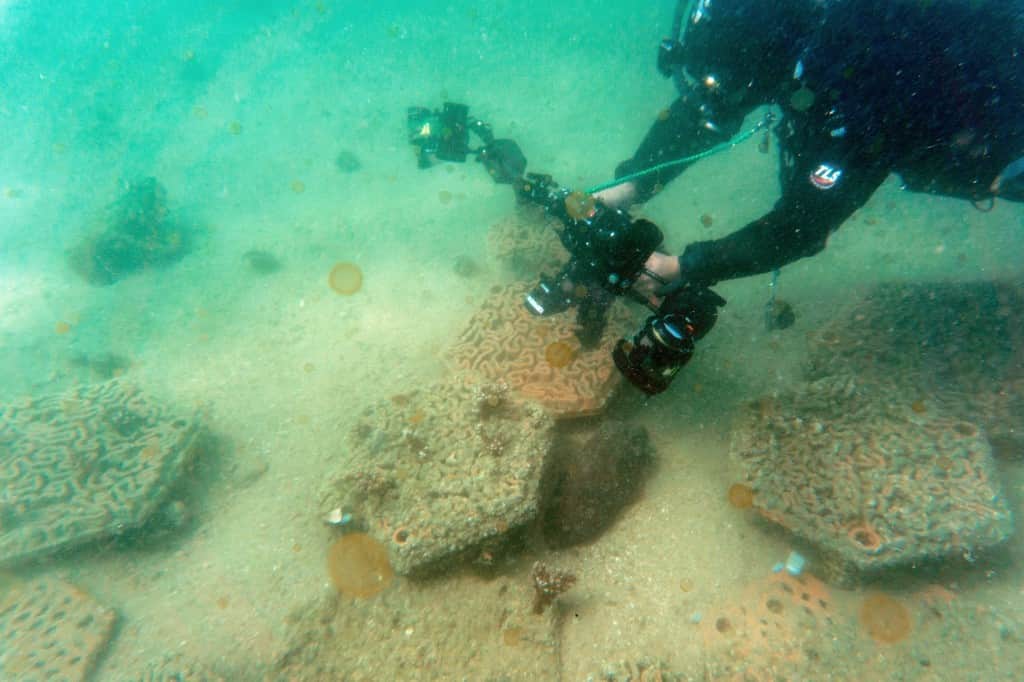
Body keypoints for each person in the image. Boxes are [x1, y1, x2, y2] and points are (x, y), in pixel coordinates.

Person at [600, 0, 1024, 300]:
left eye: (725, 83)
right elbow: (704, 112)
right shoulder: (780, 33)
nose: (718, 95)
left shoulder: (863, 90)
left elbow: (800, 228)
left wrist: (680, 268)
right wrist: (629, 185)